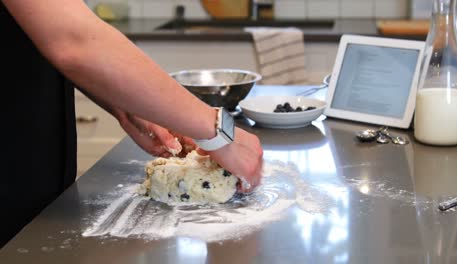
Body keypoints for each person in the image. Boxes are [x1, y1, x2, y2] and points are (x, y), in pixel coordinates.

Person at [0, 0, 263, 247]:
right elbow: (73, 39)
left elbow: (38, 34)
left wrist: (124, 104)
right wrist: (217, 130)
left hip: (30, 169)